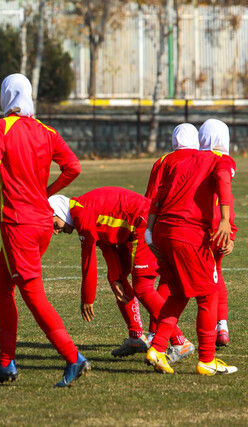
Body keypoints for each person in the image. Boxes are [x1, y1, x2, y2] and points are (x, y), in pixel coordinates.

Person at [0, 73, 89, 387]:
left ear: (6, 96)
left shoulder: (0, 127)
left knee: (33, 296)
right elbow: (73, 167)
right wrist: (47, 192)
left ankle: (74, 357)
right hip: (42, 223)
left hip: (18, 226)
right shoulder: (46, 131)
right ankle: (6, 363)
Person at [48, 189, 194, 364]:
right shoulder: (79, 212)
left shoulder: (80, 212)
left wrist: (87, 297)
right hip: (131, 231)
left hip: (144, 224)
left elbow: (88, 259)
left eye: (54, 224)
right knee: (118, 283)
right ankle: (136, 338)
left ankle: (180, 341)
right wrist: (115, 276)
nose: (55, 231)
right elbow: (106, 244)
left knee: (143, 288)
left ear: (59, 211)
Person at [144, 122, 237, 375]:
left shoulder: (179, 159)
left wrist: (149, 232)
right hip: (188, 234)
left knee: (178, 293)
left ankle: (157, 347)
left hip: (163, 231)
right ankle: (207, 360)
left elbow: (156, 194)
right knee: (208, 294)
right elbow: (222, 181)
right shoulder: (221, 160)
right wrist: (228, 221)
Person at [198, 119, 237, 348]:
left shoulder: (193, 158)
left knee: (174, 282)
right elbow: (226, 193)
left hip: (194, 227)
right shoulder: (224, 160)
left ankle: (159, 335)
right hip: (218, 228)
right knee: (216, 274)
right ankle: (221, 326)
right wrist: (230, 230)